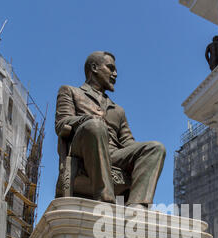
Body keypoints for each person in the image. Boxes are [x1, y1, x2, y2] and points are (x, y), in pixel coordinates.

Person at [55, 51, 166, 209]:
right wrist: (88, 120)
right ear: (94, 68)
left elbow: (128, 142)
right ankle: (105, 198)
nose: (115, 74)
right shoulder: (71, 91)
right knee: (95, 125)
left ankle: (137, 205)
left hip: (113, 154)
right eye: (110, 68)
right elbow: (62, 123)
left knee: (156, 148)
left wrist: (139, 154)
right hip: (84, 149)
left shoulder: (118, 110)